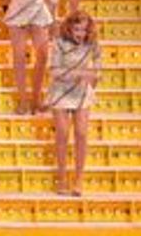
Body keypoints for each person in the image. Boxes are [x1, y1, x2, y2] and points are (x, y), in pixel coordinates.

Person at [47, 11, 101, 196]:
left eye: (84, 30)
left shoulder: (92, 44)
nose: (80, 33)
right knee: (62, 133)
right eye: (77, 29)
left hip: (82, 92)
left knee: (81, 133)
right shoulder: (59, 43)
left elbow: (98, 67)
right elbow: (54, 71)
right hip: (61, 92)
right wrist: (78, 74)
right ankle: (62, 178)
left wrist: (94, 77)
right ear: (69, 28)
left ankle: (78, 180)